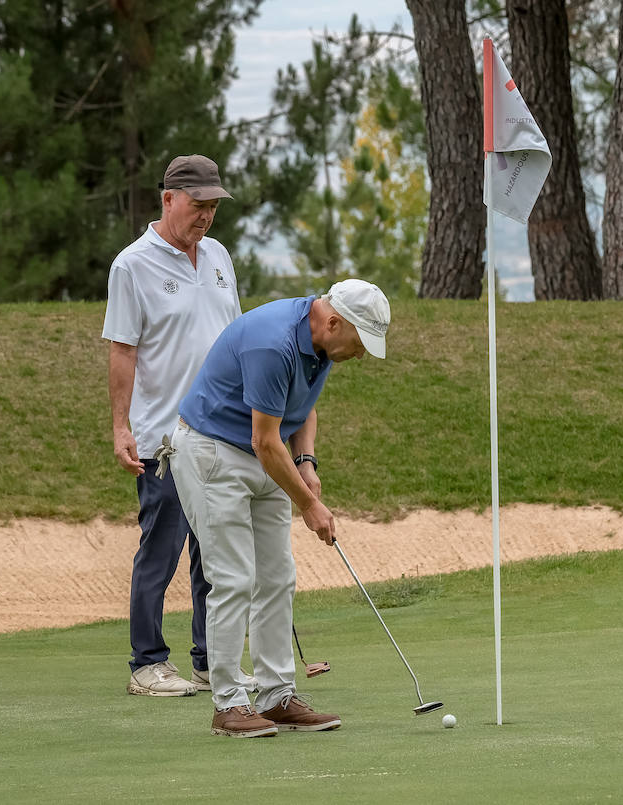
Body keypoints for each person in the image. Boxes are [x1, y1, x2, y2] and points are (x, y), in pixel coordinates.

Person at [169, 278, 390, 737]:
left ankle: (276, 697)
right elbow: (265, 441)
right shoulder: (274, 343)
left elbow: (302, 407)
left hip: (261, 454)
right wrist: (309, 504)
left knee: (277, 576)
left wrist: (306, 460)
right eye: (360, 341)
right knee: (233, 578)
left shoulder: (321, 344)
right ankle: (229, 704)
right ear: (333, 322)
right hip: (214, 452)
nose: (362, 353)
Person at [101, 154, 240, 697]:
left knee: (215, 555)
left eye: (212, 207)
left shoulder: (220, 257)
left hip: (221, 434)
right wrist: (120, 427)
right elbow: (122, 350)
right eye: (197, 205)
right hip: (163, 439)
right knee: (160, 555)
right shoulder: (132, 265)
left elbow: (231, 341)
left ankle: (210, 661)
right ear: (168, 199)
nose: (205, 216)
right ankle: (147, 664)